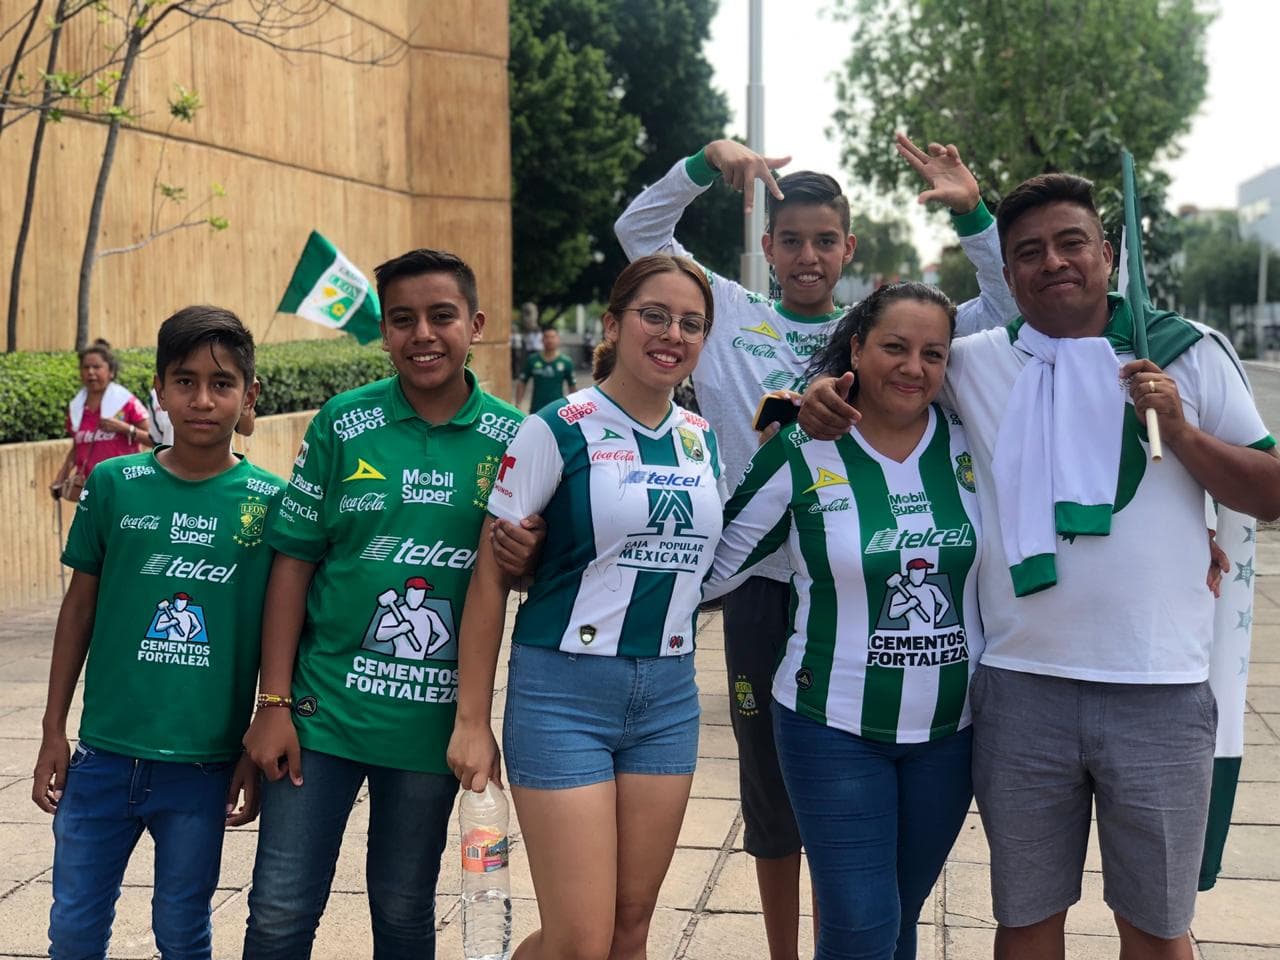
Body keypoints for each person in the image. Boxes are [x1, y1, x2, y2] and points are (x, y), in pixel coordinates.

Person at [799, 173, 1280, 960]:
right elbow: (890, 376)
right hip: (1021, 689)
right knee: (1025, 923)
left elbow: (1270, 493)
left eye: (1071, 243)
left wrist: (1184, 437)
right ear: (1010, 272)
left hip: (1158, 688)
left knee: (1159, 929)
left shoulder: (1186, 352)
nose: (1052, 262)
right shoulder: (977, 361)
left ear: (1109, 252)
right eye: (1028, 252)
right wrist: (818, 395)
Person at [613, 133, 1017, 959]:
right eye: (790, 240)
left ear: (849, 248)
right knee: (772, 801)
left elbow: (1008, 305)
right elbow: (640, 232)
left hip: (871, 586)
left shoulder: (883, 332)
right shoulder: (729, 311)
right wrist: (703, 162)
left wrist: (977, 213)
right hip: (763, 585)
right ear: (767, 248)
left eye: (825, 240)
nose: (807, 255)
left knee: (871, 881)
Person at [240, 248, 540, 960]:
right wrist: (273, 703)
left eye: (441, 316)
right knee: (279, 913)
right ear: (384, 332)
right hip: (322, 717)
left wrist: (525, 563)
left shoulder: (516, 439)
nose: (423, 335)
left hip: (430, 732)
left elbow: (519, 573)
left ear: (476, 322)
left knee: (405, 915)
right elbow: (292, 562)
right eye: (402, 320)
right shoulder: (343, 424)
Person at [448, 254, 722, 960]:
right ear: (613, 323)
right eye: (654, 315)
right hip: (563, 693)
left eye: (690, 323)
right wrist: (472, 721)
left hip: (668, 699)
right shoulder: (556, 427)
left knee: (630, 932)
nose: (672, 334)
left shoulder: (703, 439)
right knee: (579, 940)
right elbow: (488, 576)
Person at [706, 282, 983, 960]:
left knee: (899, 916)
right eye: (894, 346)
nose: (913, 367)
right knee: (858, 925)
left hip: (953, 734)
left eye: (932, 354)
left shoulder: (975, 446)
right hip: (829, 725)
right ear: (855, 347)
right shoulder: (805, 447)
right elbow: (713, 567)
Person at [32, 306, 275, 960]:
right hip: (102, 757)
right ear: (159, 393)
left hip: (202, 767)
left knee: (182, 931)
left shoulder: (269, 505)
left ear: (249, 395)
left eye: (221, 384)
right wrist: (54, 729)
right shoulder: (114, 485)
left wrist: (256, 742)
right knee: (74, 931)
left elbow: (281, 639)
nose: (201, 399)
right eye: (184, 381)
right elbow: (78, 611)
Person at [50, 339, 153, 503]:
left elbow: (154, 440)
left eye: (97, 367)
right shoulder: (76, 408)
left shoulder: (127, 402)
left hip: (125, 488)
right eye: (85, 367)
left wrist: (125, 428)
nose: (90, 372)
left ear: (111, 371)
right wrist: (60, 478)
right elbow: (77, 448)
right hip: (90, 492)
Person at [516, 326, 577, 412]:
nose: (549, 340)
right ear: (542, 339)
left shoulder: (566, 362)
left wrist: (573, 406)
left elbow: (572, 386)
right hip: (536, 409)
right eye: (546, 337)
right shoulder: (532, 360)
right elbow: (522, 382)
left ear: (558, 339)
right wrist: (518, 403)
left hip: (557, 410)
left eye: (552, 337)